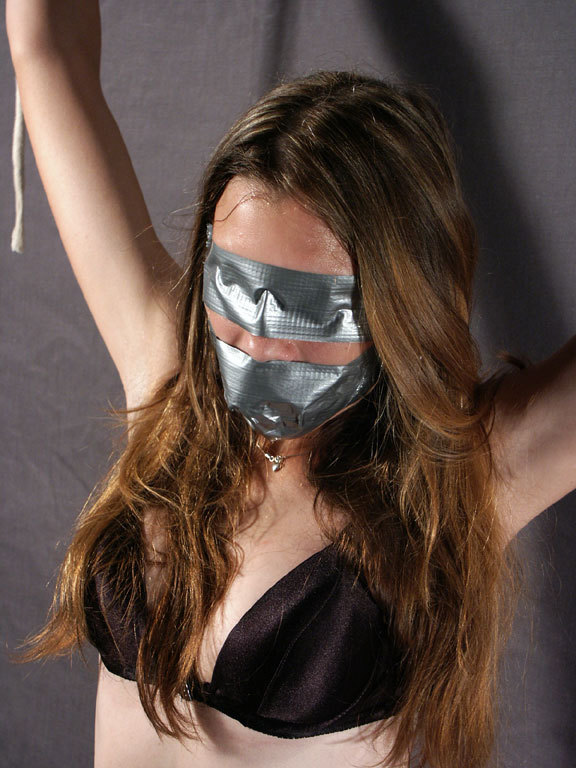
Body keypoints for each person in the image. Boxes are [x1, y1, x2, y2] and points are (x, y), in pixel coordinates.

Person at [7, 2, 576, 768]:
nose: (256, 342)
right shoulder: (173, 377)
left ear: (398, 308)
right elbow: (48, 53)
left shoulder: (462, 475)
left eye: (307, 312)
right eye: (235, 291)